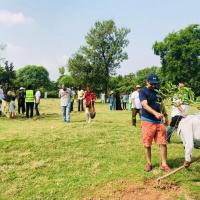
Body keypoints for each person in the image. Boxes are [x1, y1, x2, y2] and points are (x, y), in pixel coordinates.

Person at [139, 74, 171, 172]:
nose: (154, 85)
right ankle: (149, 163)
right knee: (147, 144)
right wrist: (155, 113)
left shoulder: (158, 91)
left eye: (156, 84)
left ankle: (164, 164)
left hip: (159, 121)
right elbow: (144, 104)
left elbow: (161, 104)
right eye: (152, 84)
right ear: (147, 82)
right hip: (147, 120)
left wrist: (165, 115)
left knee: (163, 143)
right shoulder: (143, 91)